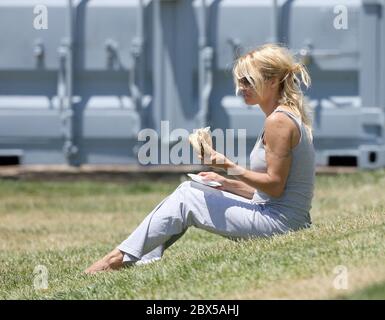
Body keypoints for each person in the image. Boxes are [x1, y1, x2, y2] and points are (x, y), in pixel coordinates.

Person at [85, 43, 316, 274]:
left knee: (187, 197)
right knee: (192, 191)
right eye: (240, 81)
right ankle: (137, 256)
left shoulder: (278, 122)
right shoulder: (283, 116)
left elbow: (275, 187)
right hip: (285, 218)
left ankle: (116, 260)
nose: (240, 88)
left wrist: (226, 165)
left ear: (273, 80)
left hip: (281, 225)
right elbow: (274, 192)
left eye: (247, 80)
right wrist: (226, 182)